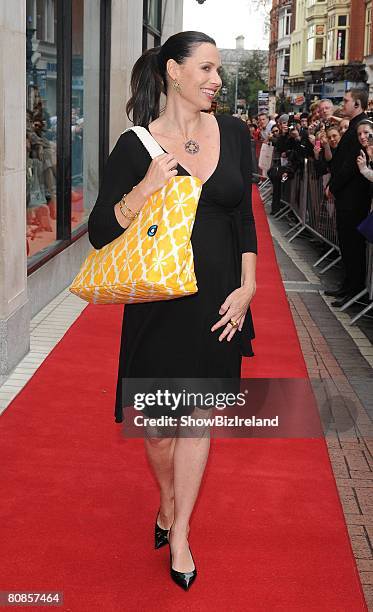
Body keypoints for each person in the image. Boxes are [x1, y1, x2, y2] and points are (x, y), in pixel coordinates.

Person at [88, 31, 257, 591]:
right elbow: (98, 234)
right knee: (160, 431)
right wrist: (142, 190)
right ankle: (167, 504)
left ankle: (180, 531)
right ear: (173, 73)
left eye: (218, 70)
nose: (217, 79)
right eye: (207, 69)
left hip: (220, 305)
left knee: (199, 421)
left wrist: (248, 286)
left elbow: (243, 220)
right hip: (159, 305)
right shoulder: (137, 145)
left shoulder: (232, 132)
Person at [325, 89, 371, 306]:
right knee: (346, 242)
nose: (342, 104)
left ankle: (354, 288)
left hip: (354, 197)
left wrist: (333, 186)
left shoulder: (359, 128)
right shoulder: (354, 126)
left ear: (357, 104)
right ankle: (348, 285)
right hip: (348, 196)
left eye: (346, 101)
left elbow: (350, 165)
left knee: (352, 244)